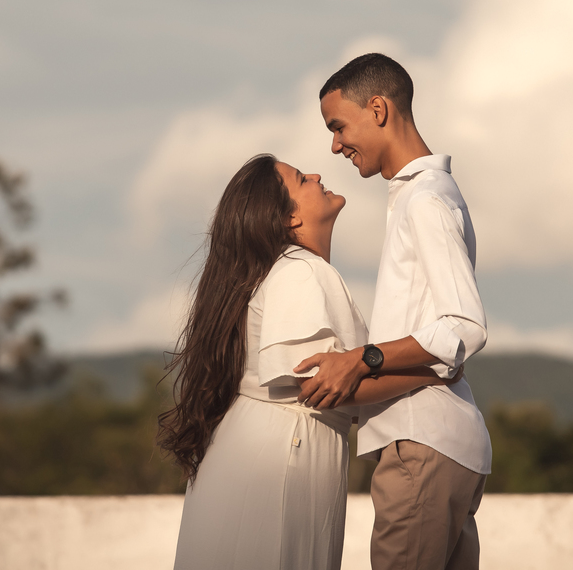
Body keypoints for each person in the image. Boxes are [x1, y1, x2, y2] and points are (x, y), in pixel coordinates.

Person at [159, 154, 460, 570]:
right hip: (278, 463)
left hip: (256, 456)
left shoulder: (279, 273)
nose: (317, 175)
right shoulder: (300, 270)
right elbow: (321, 388)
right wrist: (433, 369)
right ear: (289, 220)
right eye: (302, 179)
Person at [294, 53, 492, 570]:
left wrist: (363, 359)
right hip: (437, 443)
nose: (334, 145)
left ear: (378, 109)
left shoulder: (424, 199)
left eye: (338, 126)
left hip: (420, 444)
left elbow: (465, 326)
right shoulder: (421, 196)